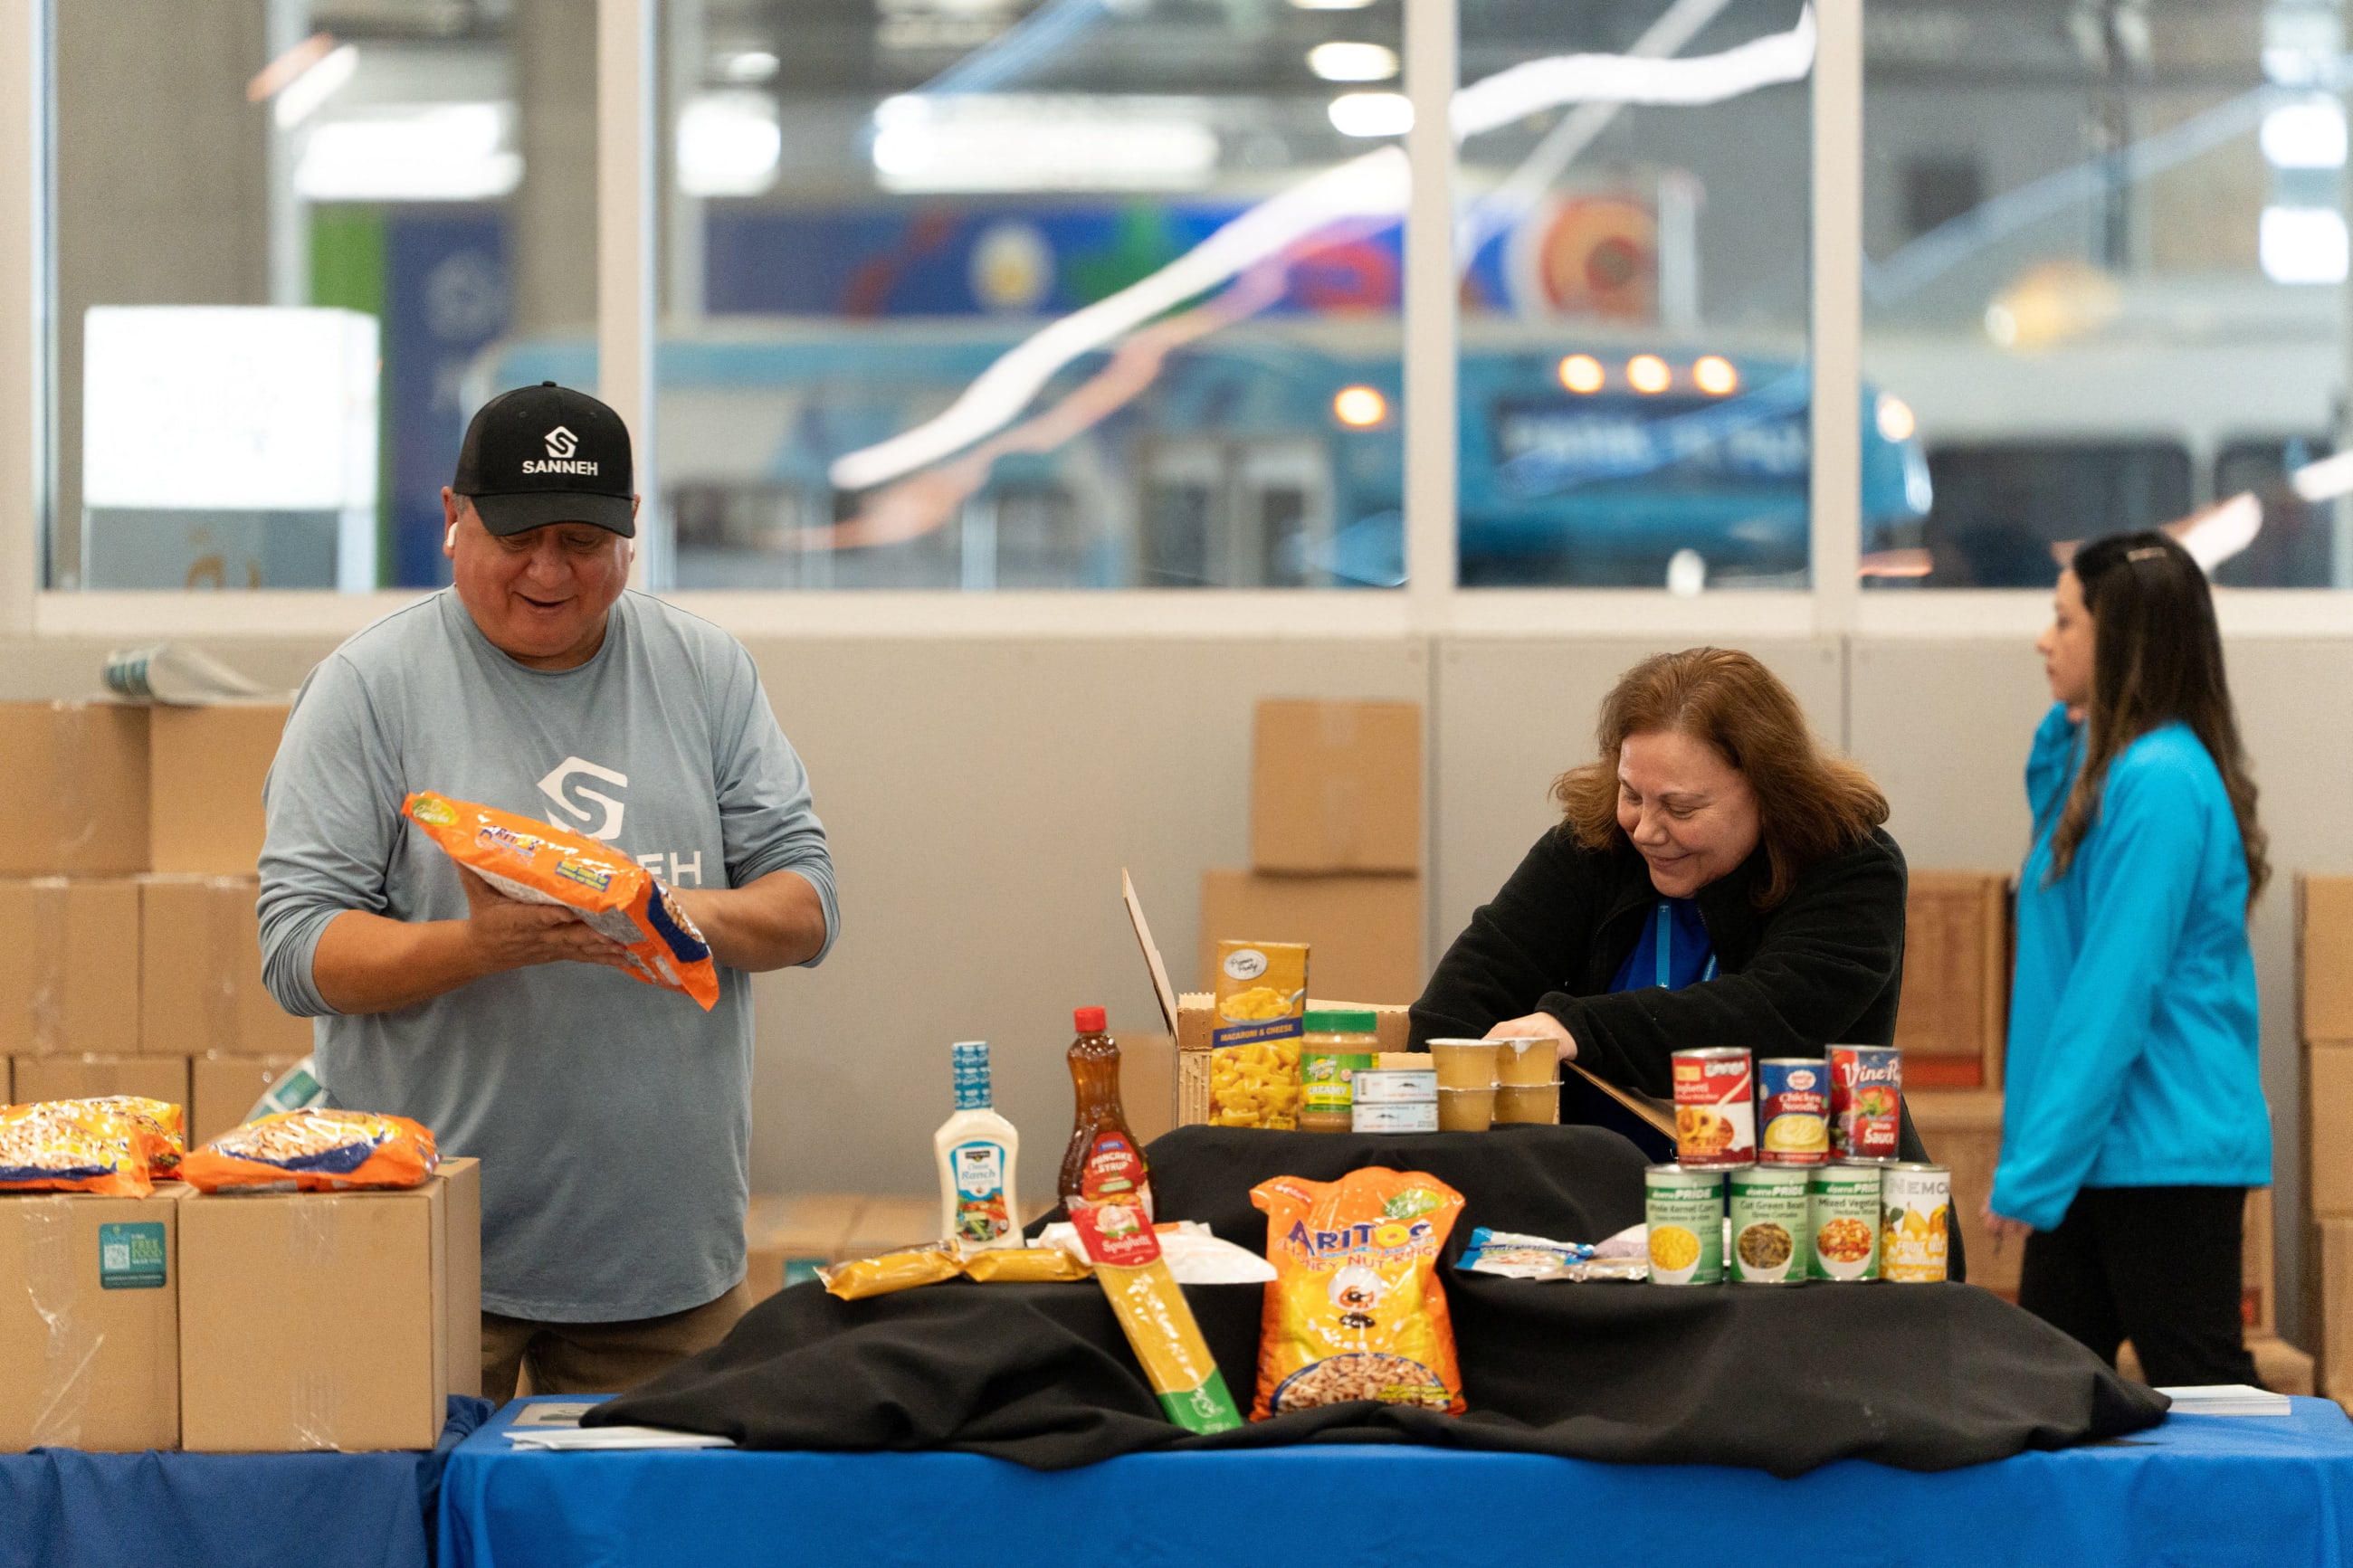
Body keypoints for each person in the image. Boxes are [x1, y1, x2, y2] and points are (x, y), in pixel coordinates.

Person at [257, 382, 840, 1402]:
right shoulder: (366, 687)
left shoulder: (705, 671)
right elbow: (298, 952)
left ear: (630, 537)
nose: (548, 570)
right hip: (426, 1248)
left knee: (659, 1536)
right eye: (518, 536)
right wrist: (480, 944)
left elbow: (807, 906)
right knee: (411, 1531)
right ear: (451, 520)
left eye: (582, 539)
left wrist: (655, 909)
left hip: (662, 1264)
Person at [1411, 647, 1954, 1206]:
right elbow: (1473, 984)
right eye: (1631, 794)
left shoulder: (1851, 866)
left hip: (1818, 1219)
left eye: (1682, 808)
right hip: (1613, 1205)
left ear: (1769, 793)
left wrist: (1575, 1027)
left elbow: (1774, 1018)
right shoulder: (1594, 846)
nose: (1645, 829)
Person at [1987, 531, 2270, 1386]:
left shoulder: (2159, 781)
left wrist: (2032, 1170)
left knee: (2207, 1394)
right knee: (2047, 1398)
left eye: (2064, 620)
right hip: (2102, 1154)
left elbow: (2112, 993)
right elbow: (2050, 818)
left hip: (2159, 1156)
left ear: (2120, 641)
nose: (2046, 639)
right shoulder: (2109, 767)